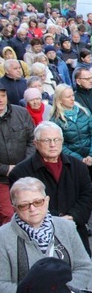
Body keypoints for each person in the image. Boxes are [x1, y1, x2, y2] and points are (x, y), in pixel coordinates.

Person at [0, 178, 92, 293]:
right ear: (14, 208)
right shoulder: (3, 237)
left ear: (47, 201)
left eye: (38, 202)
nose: (33, 209)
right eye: (24, 205)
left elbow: (83, 266)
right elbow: (2, 285)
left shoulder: (66, 227)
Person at [9, 122, 92, 254]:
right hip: (39, 238)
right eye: (46, 140)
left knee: (80, 268)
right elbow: (22, 206)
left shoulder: (78, 166)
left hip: (75, 230)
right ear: (36, 143)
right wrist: (57, 220)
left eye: (57, 139)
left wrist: (72, 216)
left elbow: (88, 195)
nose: (53, 144)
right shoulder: (20, 172)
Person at [50, 85, 92, 232]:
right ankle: (83, 222)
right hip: (73, 162)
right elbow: (60, 145)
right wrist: (78, 159)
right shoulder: (56, 120)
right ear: (59, 100)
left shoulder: (83, 111)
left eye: (72, 95)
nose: (72, 98)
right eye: (68, 96)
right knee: (80, 193)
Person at [0, 85, 35, 224]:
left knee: (29, 211)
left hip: (24, 174)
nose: (1, 100)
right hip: (1, 180)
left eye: (3, 95)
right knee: (8, 215)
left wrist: (22, 166)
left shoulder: (21, 113)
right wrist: (6, 169)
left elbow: (32, 141)